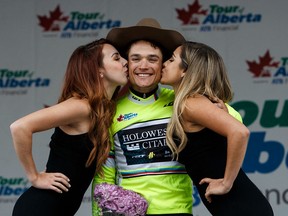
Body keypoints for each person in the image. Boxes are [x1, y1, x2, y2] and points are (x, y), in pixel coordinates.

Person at [10, 38, 128, 216]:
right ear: (99, 70)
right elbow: (20, 127)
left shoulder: (102, 107)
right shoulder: (82, 106)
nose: (125, 62)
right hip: (40, 208)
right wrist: (34, 176)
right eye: (117, 58)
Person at [92, 18, 194, 215]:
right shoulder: (110, 110)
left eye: (152, 59)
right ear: (126, 64)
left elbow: (233, 122)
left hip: (176, 211)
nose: (143, 66)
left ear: (163, 64)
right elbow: (104, 177)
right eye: (136, 58)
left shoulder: (184, 102)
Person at [161, 41, 274, 216]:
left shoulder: (190, 103)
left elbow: (240, 132)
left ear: (185, 70)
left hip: (242, 208)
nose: (164, 64)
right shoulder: (191, 103)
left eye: (171, 60)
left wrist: (226, 183)